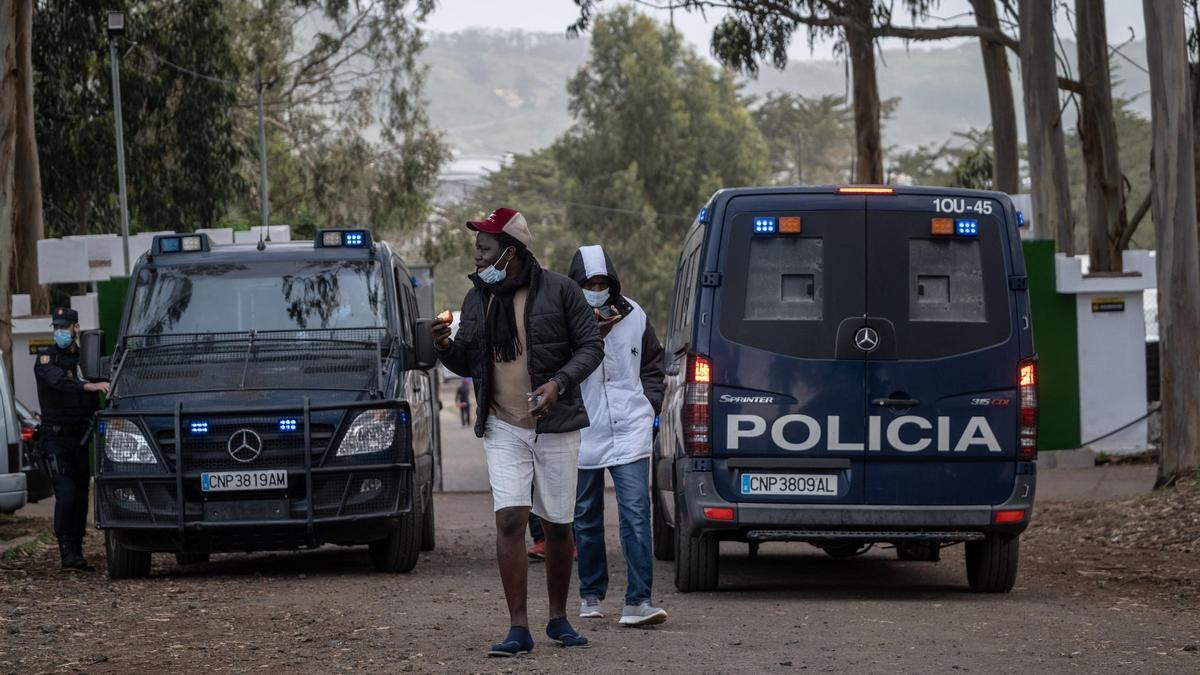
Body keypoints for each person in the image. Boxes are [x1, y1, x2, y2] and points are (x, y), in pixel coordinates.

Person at [431, 207, 603, 657]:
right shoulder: (478, 299)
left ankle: (559, 619)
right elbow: (468, 361)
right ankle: (518, 627)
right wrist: (446, 346)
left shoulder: (562, 292)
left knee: (558, 524)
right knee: (509, 518)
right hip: (504, 423)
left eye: (484, 248)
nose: (477, 255)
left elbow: (591, 346)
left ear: (510, 253)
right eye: (477, 247)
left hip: (556, 424)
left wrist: (558, 384)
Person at [566, 245, 668, 627]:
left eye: (601, 283)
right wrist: (588, 334)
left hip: (629, 429)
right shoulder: (564, 319)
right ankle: (591, 593)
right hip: (583, 429)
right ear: (576, 285)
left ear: (612, 283)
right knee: (585, 518)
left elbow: (654, 364)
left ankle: (638, 601)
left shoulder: (634, 315)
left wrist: (649, 407)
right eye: (588, 284)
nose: (595, 289)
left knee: (636, 515)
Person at [34, 308, 109, 571]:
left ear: (76, 328)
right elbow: (58, 383)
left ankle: (77, 551)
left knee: (79, 496)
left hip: (80, 438)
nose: (60, 332)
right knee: (65, 495)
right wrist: (88, 385)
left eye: (65, 328)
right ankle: (65, 550)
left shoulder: (87, 359)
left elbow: (105, 378)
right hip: (55, 439)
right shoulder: (47, 358)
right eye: (57, 328)